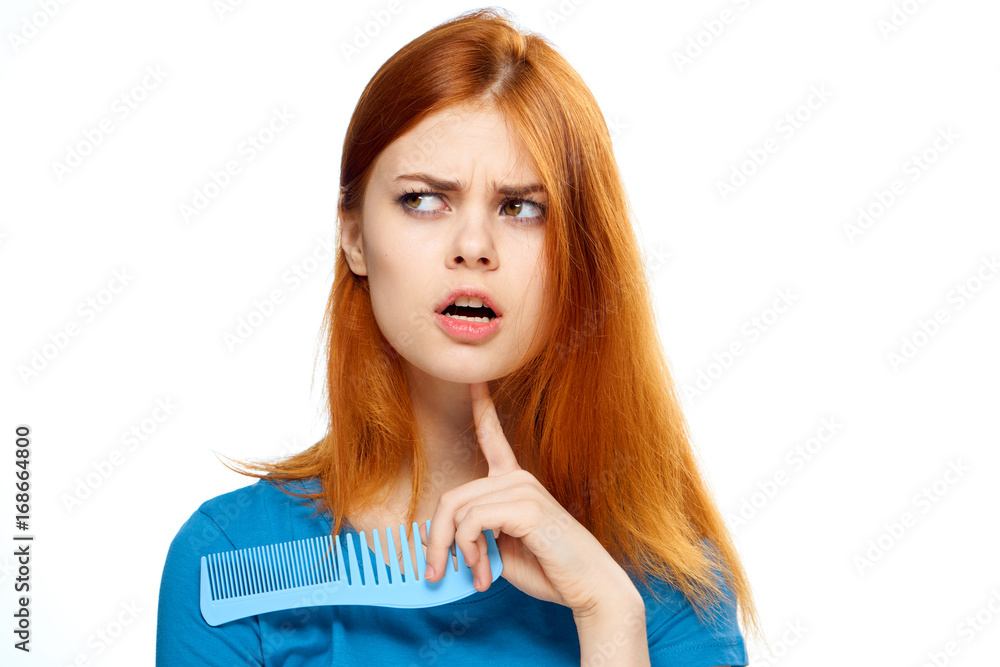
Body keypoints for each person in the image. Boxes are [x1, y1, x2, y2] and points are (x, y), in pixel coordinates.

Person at [156, 7, 761, 665]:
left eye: (522, 207)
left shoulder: (664, 585)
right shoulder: (231, 557)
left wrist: (609, 619)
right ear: (354, 235)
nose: (474, 246)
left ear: (579, 256)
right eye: (423, 199)